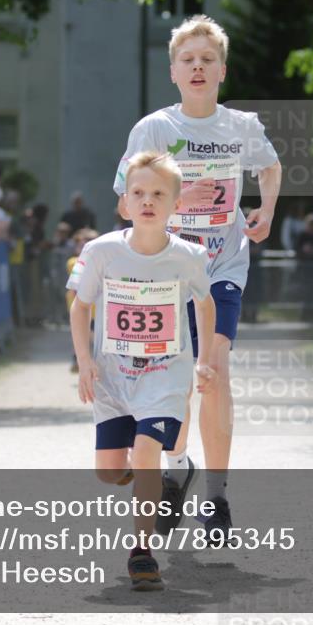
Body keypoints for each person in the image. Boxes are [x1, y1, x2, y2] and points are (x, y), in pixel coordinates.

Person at [112, 15, 281, 539]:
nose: (198, 67)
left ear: (222, 70)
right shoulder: (155, 129)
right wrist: (166, 202)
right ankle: (177, 465)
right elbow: (123, 202)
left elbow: (269, 167)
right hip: (166, 272)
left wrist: (266, 210)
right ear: (173, 72)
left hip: (222, 267)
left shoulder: (241, 126)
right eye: (188, 60)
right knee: (175, 383)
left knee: (215, 371)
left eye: (208, 59)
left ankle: (218, 496)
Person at [69, 151, 216, 590]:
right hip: (114, 377)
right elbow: (81, 307)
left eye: (157, 193)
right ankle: (146, 481)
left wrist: (204, 359)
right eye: (138, 193)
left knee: (147, 449)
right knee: (110, 472)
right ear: (124, 204)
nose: (147, 200)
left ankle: (142, 552)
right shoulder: (101, 251)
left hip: (165, 372)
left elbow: (205, 306)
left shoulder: (189, 255)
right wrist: (84, 362)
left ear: (175, 205)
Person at [65, 227, 99, 370]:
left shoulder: (101, 262)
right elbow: (75, 286)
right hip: (81, 306)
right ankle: (78, 359)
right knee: (81, 333)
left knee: (94, 335)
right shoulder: (74, 262)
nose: (83, 248)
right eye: (80, 245)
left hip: (97, 309)